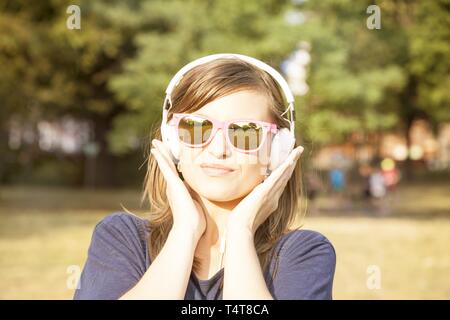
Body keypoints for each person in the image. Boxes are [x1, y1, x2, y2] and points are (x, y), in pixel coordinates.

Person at [74, 54, 336, 300]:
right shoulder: (122, 237)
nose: (219, 149)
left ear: (277, 150)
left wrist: (240, 231)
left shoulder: (304, 253)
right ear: (172, 140)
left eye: (245, 133)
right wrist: (185, 229)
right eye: (196, 127)